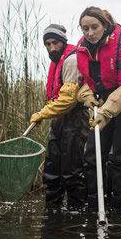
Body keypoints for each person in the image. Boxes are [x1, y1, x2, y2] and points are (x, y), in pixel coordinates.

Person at [75, 6, 121, 209]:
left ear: (104, 25)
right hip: (104, 101)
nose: (90, 33)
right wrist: (85, 94)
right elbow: (84, 81)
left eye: (94, 27)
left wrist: (107, 112)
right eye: (85, 28)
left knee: (120, 158)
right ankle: (95, 205)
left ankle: (118, 209)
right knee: (92, 156)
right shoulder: (82, 47)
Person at [29, 24, 89, 209]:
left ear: (63, 42)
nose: (52, 48)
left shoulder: (71, 60)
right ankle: (52, 213)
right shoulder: (56, 61)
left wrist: (41, 114)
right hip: (58, 120)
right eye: (48, 44)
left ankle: (75, 214)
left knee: (72, 171)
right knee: (52, 170)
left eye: (55, 43)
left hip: (75, 118)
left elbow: (68, 101)